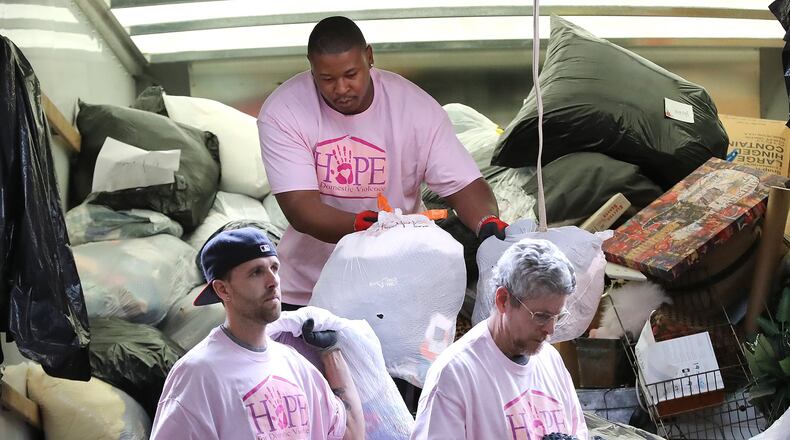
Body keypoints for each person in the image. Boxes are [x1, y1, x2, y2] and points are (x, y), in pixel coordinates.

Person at [257, 16, 508, 307]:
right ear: (311, 67)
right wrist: (362, 225)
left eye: (351, 74)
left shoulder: (414, 109)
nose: (341, 88)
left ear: (369, 57)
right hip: (308, 290)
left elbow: (463, 184)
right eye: (327, 79)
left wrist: (487, 223)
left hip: (395, 285)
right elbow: (301, 209)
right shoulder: (284, 111)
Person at [150, 227, 365, 439]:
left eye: (274, 268)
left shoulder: (294, 364)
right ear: (222, 289)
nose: (273, 281)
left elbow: (350, 433)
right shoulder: (198, 374)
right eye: (256, 272)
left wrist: (331, 352)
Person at [411, 238, 588, 440]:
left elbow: (578, 431)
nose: (551, 329)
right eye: (541, 316)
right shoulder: (455, 374)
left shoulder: (551, 361)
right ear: (503, 300)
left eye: (558, 316)